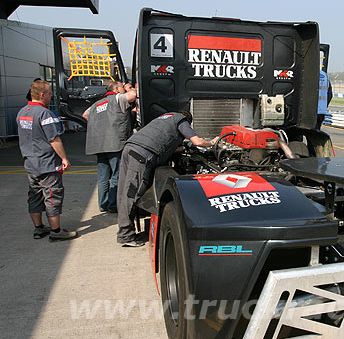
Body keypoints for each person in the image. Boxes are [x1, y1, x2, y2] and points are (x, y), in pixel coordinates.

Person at [117, 111, 218, 247]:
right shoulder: (181, 120)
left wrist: (184, 146)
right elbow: (197, 141)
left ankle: (125, 229)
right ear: (188, 120)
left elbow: (165, 144)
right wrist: (212, 142)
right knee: (131, 193)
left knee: (123, 191)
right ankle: (126, 235)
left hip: (130, 148)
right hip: (142, 155)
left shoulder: (164, 118)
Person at [16, 80, 78, 241]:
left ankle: (38, 228)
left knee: (34, 195)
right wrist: (64, 158)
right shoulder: (45, 114)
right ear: (42, 95)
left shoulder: (23, 112)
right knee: (52, 196)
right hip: (47, 164)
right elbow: (54, 139)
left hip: (30, 164)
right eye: (50, 93)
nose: (51, 95)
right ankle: (56, 231)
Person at [83, 81, 136, 213]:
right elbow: (133, 95)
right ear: (117, 89)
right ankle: (113, 204)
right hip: (114, 144)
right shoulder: (117, 99)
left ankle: (103, 204)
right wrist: (130, 88)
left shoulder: (97, 104)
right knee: (117, 175)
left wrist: (102, 125)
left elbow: (85, 115)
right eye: (122, 88)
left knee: (103, 177)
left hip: (99, 145)